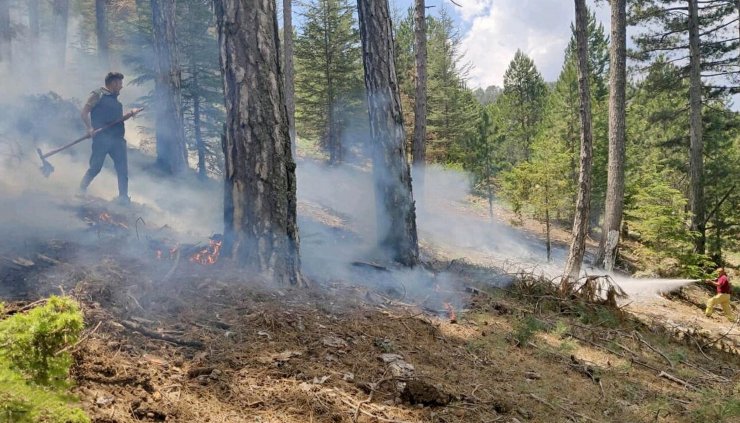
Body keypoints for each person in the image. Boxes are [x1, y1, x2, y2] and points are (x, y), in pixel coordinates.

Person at [79, 72, 139, 205]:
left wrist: (130, 114)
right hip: (101, 139)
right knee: (96, 167)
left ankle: (123, 198)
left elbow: (116, 120)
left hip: (117, 140)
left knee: (122, 170)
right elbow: (84, 112)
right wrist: (89, 128)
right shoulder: (98, 94)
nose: (121, 87)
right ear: (113, 83)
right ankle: (80, 189)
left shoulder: (115, 100)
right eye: (120, 84)